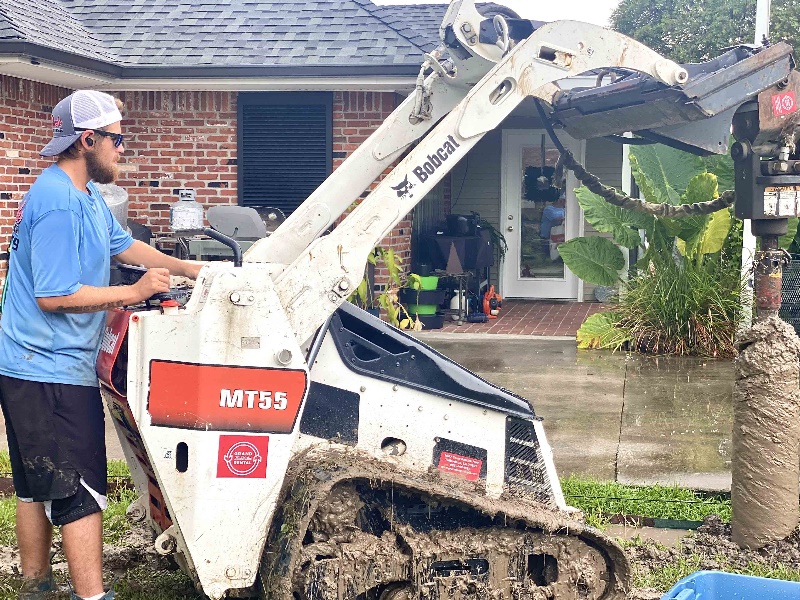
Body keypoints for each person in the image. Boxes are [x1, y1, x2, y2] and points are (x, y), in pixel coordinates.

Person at [0, 90, 203, 600]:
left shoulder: (83, 194)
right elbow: (53, 295)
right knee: (79, 489)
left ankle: (36, 588)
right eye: (117, 139)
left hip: (31, 365)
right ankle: (92, 597)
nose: (122, 149)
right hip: (47, 366)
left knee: (37, 484)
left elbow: (123, 245)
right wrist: (133, 293)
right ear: (87, 140)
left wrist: (189, 268)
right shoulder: (59, 204)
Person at [540, 192, 566, 256]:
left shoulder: (564, 209)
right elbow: (554, 219)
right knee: (547, 252)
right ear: (560, 201)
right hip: (547, 234)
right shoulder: (548, 209)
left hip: (559, 234)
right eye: (564, 201)